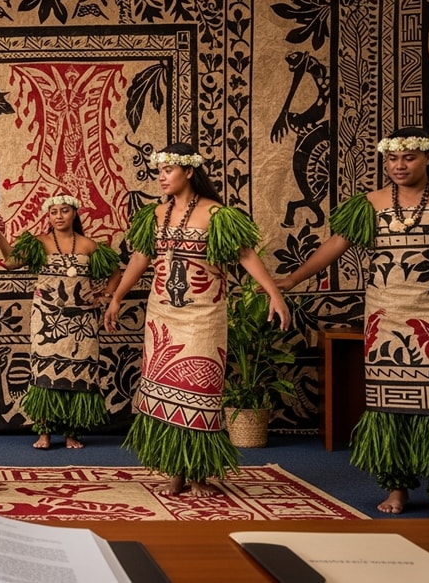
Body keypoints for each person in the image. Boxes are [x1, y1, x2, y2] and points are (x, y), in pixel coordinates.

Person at [275, 127, 429, 519]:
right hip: (385, 318)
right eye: (392, 159)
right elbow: (337, 244)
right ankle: (397, 488)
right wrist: (293, 278)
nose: (399, 166)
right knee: (388, 407)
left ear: (428, 158)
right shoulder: (370, 203)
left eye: (409, 157)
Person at [103, 142, 290, 497]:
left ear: (189, 171)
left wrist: (273, 293)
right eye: (159, 170)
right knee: (167, 395)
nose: (161, 176)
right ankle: (176, 469)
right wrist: (117, 296)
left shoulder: (218, 214)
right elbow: (141, 257)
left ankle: (199, 472)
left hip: (203, 316)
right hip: (163, 316)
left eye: (168, 170)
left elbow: (245, 254)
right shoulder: (155, 215)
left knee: (198, 393)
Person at [0, 195, 121, 449]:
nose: (59, 216)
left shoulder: (89, 245)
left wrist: (107, 296)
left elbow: (116, 272)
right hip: (47, 319)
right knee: (46, 375)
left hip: (81, 322)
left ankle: (71, 433)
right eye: (53, 212)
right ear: (48, 216)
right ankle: (45, 433)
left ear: (74, 213)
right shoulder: (39, 243)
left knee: (77, 374)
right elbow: (11, 263)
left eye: (64, 211)